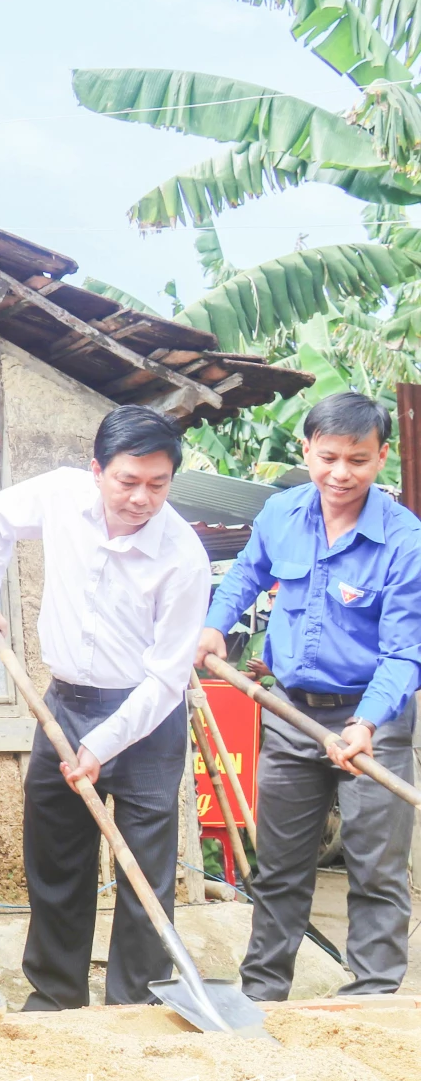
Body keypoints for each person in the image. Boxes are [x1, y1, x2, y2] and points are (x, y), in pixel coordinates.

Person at [0, 406, 209, 1009]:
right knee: (56, 862)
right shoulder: (60, 496)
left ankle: (136, 1003)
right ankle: (55, 998)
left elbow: (165, 680)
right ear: (97, 470)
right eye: (127, 481)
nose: (141, 498)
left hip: (147, 722)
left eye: (157, 485)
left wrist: (102, 745)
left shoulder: (184, 558)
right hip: (64, 706)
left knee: (144, 874)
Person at [197, 391, 421, 1000]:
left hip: (373, 720)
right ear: (307, 450)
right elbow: (246, 572)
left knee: (375, 867)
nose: (340, 474)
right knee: (280, 866)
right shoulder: (282, 514)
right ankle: (263, 992)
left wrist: (368, 723)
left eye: (358, 460)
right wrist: (216, 622)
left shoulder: (405, 542)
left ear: (382, 459)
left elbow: (405, 653)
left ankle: (372, 995)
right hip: (290, 711)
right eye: (328, 458)